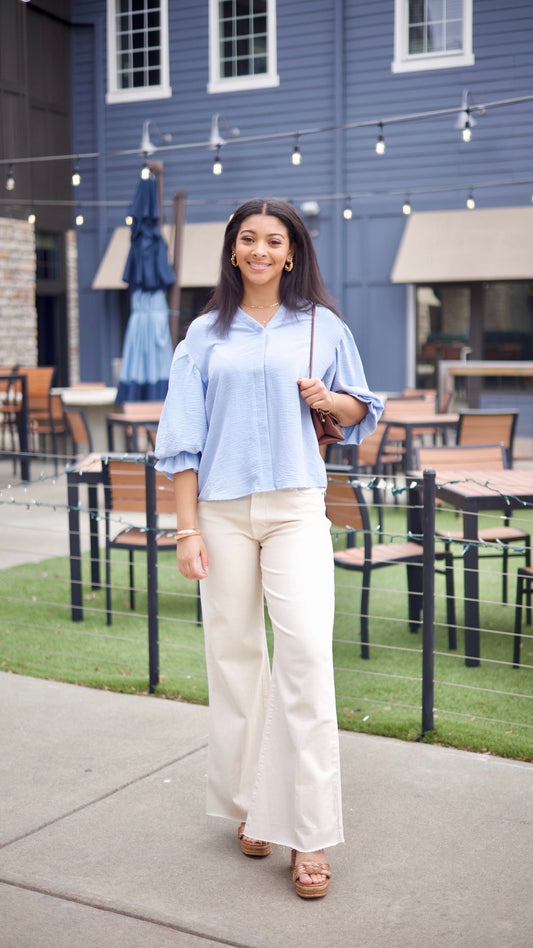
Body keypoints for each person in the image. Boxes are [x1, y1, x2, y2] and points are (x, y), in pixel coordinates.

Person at [155, 197, 383, 899]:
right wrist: (187, 529)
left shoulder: (322, 327)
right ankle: (251, 804)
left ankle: (308, 834)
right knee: (235, 659)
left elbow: (360, 410)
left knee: (307, 657)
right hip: (219, 513)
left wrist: (329, 398)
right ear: (232, 251)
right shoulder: (202, 335)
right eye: (247, 238)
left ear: (291, 253)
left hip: (293, 509)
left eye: (273, 240)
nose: (259, 249)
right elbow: (182, 442)